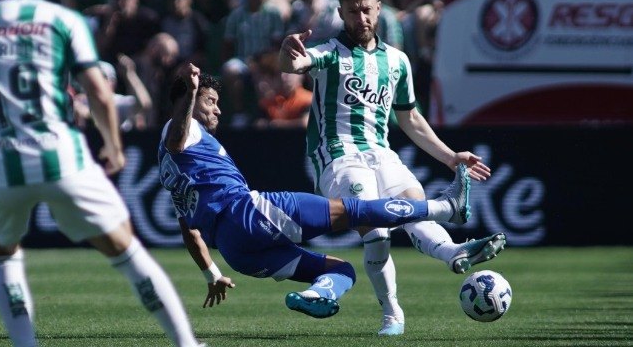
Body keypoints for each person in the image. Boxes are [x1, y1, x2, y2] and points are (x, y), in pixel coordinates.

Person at [0, 0, 201, 347]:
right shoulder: (63, 20)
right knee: (126, 250)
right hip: (59, 155)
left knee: (3, 256)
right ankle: (186, 344)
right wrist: (114, 146)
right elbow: (99, 92)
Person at [278, 0, 506, 336]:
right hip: (339, 155)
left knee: (413, 206)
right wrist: (287, 52)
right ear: (342, 13)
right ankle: (392, 312)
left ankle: (453, 253)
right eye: (353, 11)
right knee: (377, 231)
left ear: (379, 9)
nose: (361, 18)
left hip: (381, 153)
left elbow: (410, 118)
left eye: (366, 9)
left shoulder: (397, 61)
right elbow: (295, 65)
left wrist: (450, 157)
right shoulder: (329, 52)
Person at [158, 62, 474, 319]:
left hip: (234, 252)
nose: (218, 110)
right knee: (359, 211)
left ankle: (317, 293)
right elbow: (177, 138)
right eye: (210, 101)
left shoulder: (170, 166)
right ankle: (446, 208)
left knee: (341, 270)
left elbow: (189, 230)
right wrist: (191, 92)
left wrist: (212, 274)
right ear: (189, 101)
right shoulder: (184, 130)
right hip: (247, 215)